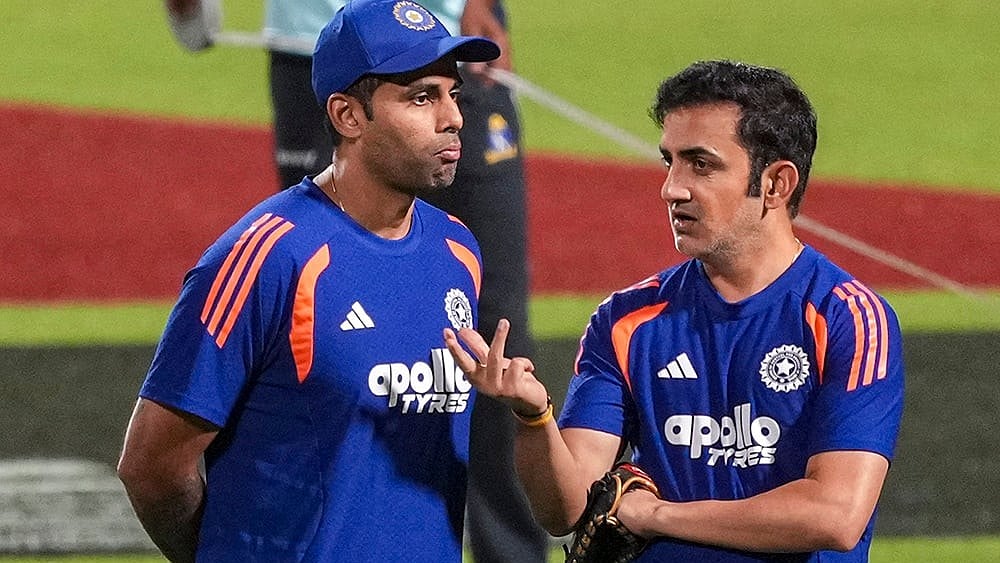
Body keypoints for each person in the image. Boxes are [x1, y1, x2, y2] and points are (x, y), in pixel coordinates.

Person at [445, 59, 906, 562]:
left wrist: (657, 516)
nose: (672, 188)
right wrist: (534, 418)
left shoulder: (850, 319)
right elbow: (566, 508)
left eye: (701, 164)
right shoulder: (626, 320)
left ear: (775, 184)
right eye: (670, 161)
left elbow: (835, 514)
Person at [119, 1, 502, 560]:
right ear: (348, 116)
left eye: (452, 93)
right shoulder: (268, 257)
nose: (453, 118)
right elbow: (152, 468)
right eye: (422, 97)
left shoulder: (458, 252)